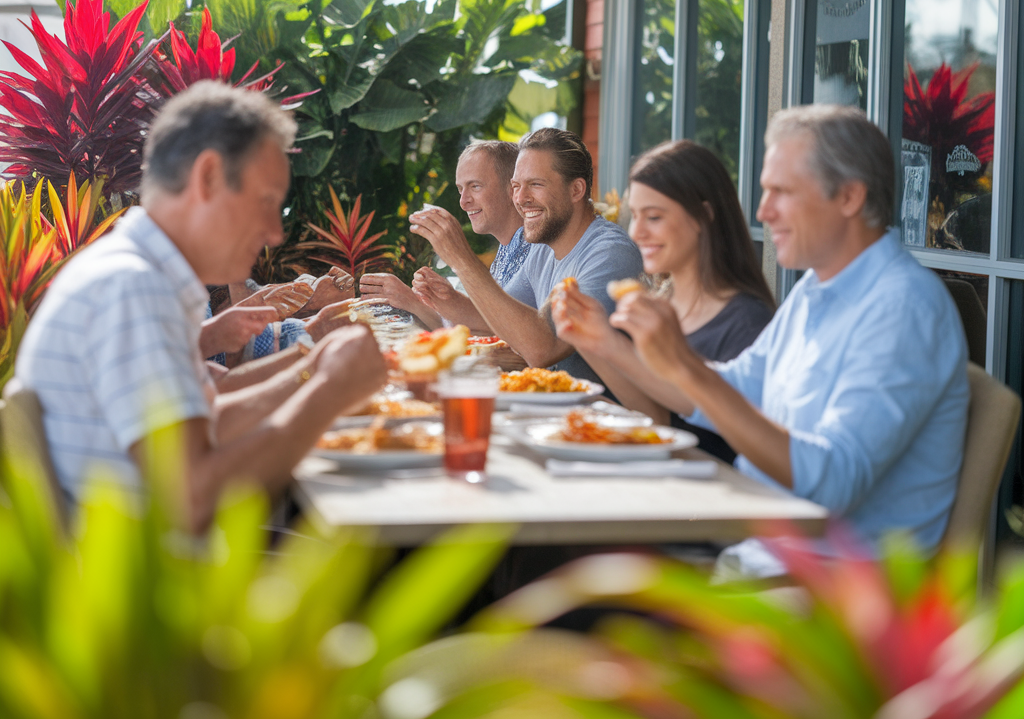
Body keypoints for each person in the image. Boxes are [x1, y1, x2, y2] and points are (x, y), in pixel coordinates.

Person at [575, 106, 969, 575]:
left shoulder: (902, 307)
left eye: (780, 192)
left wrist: (684, 365)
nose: (762, 211)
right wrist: (630, 349)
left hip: (829, 598)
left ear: (848, 196)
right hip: (761, 561)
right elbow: (727, 390)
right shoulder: (816, 290)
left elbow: (832, 483)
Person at [16, 82, 386, 532]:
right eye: (267, 202)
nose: (275, 232)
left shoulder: (138, 275)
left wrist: (314, 365)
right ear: (208, 177)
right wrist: (329, 388)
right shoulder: (132, 287)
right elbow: (193, 502)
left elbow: (211, 418)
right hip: (159, 588)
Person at [553, 140, 775, 461]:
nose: (636, 232)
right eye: (636, 216)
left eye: (654, 217)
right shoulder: (661, 302)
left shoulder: (747, 322)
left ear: (704, 216)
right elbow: (654, 418)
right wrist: (592, 342)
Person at [410, 127, 643, 383]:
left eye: (535, 184)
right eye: (516, 186)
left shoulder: (609, 253)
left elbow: (544, 350)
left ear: (576, 190)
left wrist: (461, 260)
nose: (520, 199)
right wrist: (445, 299)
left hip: (602, 417)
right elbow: (501, 321)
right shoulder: (544, 247)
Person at [360, 140, 529, 331]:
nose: (463, 202)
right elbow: (485, 329)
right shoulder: (508, 248)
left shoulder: (539, 250)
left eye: (475, 186)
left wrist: (458, 256)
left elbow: (522, 337)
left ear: (513, 188)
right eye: (460, 189)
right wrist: (416, 301)